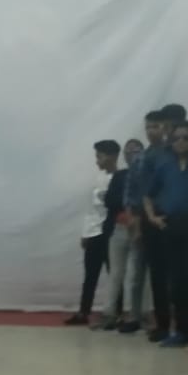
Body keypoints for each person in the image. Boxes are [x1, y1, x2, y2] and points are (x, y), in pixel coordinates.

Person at [145, 119, 188, 349]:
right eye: (176, 138)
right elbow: (148, 194)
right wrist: (152, 217)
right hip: (170, 228)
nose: (180, 142)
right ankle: (180, 332)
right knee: (176, 282)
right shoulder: (164, 163)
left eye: (186, 138)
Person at [124, 108, 175, 342]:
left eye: (156, 126)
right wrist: (134, 223)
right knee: (151, 274)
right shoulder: (140, 158)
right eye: (148, 127)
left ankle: (177, 323)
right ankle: (156, 322)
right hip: (146, 219)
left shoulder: (174, 154)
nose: (151, 131)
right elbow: (131, 193)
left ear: (165, 128)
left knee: (174, 275)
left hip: (173, 217)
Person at [67, 139, 120, 326]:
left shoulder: (121, 178)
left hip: (112, 232)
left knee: (114, 274)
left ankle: (116, 313)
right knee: (90, 275)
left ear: (112, 156)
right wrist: (86, 232)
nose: (97, 161)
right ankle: (84, 312)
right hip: (94, 232)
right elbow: (91, 210)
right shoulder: (98, 179)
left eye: (100, 156)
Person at [102, 137, 145, 332]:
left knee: (134, 276)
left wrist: (135, 211)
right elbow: (109, 201)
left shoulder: (147, 173)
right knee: (115, 274)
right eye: (128, 151)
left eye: (135, 151)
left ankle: (132, 315)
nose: (131, 155)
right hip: (118, 229)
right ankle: (109, 314)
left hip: (138, 229)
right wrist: (126, 205)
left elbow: (147, 199)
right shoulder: (120, 176)